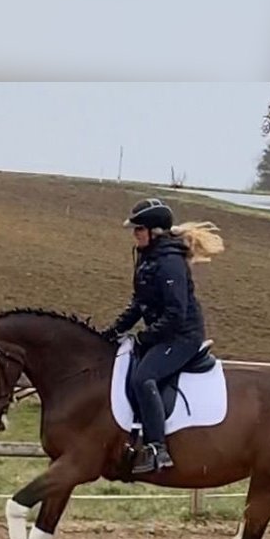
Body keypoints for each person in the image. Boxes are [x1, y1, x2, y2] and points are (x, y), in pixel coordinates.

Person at [100, 197, 225, 474]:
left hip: (181, 337)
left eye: (138, 229)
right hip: (163, 334)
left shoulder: (170, 263)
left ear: (154, 232)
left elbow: (175, 315)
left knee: (144, 377)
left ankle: (157, 448)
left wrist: (145, 338)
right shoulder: (148, 259)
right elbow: (138, 304)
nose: (135, 235)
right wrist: (113, 331)